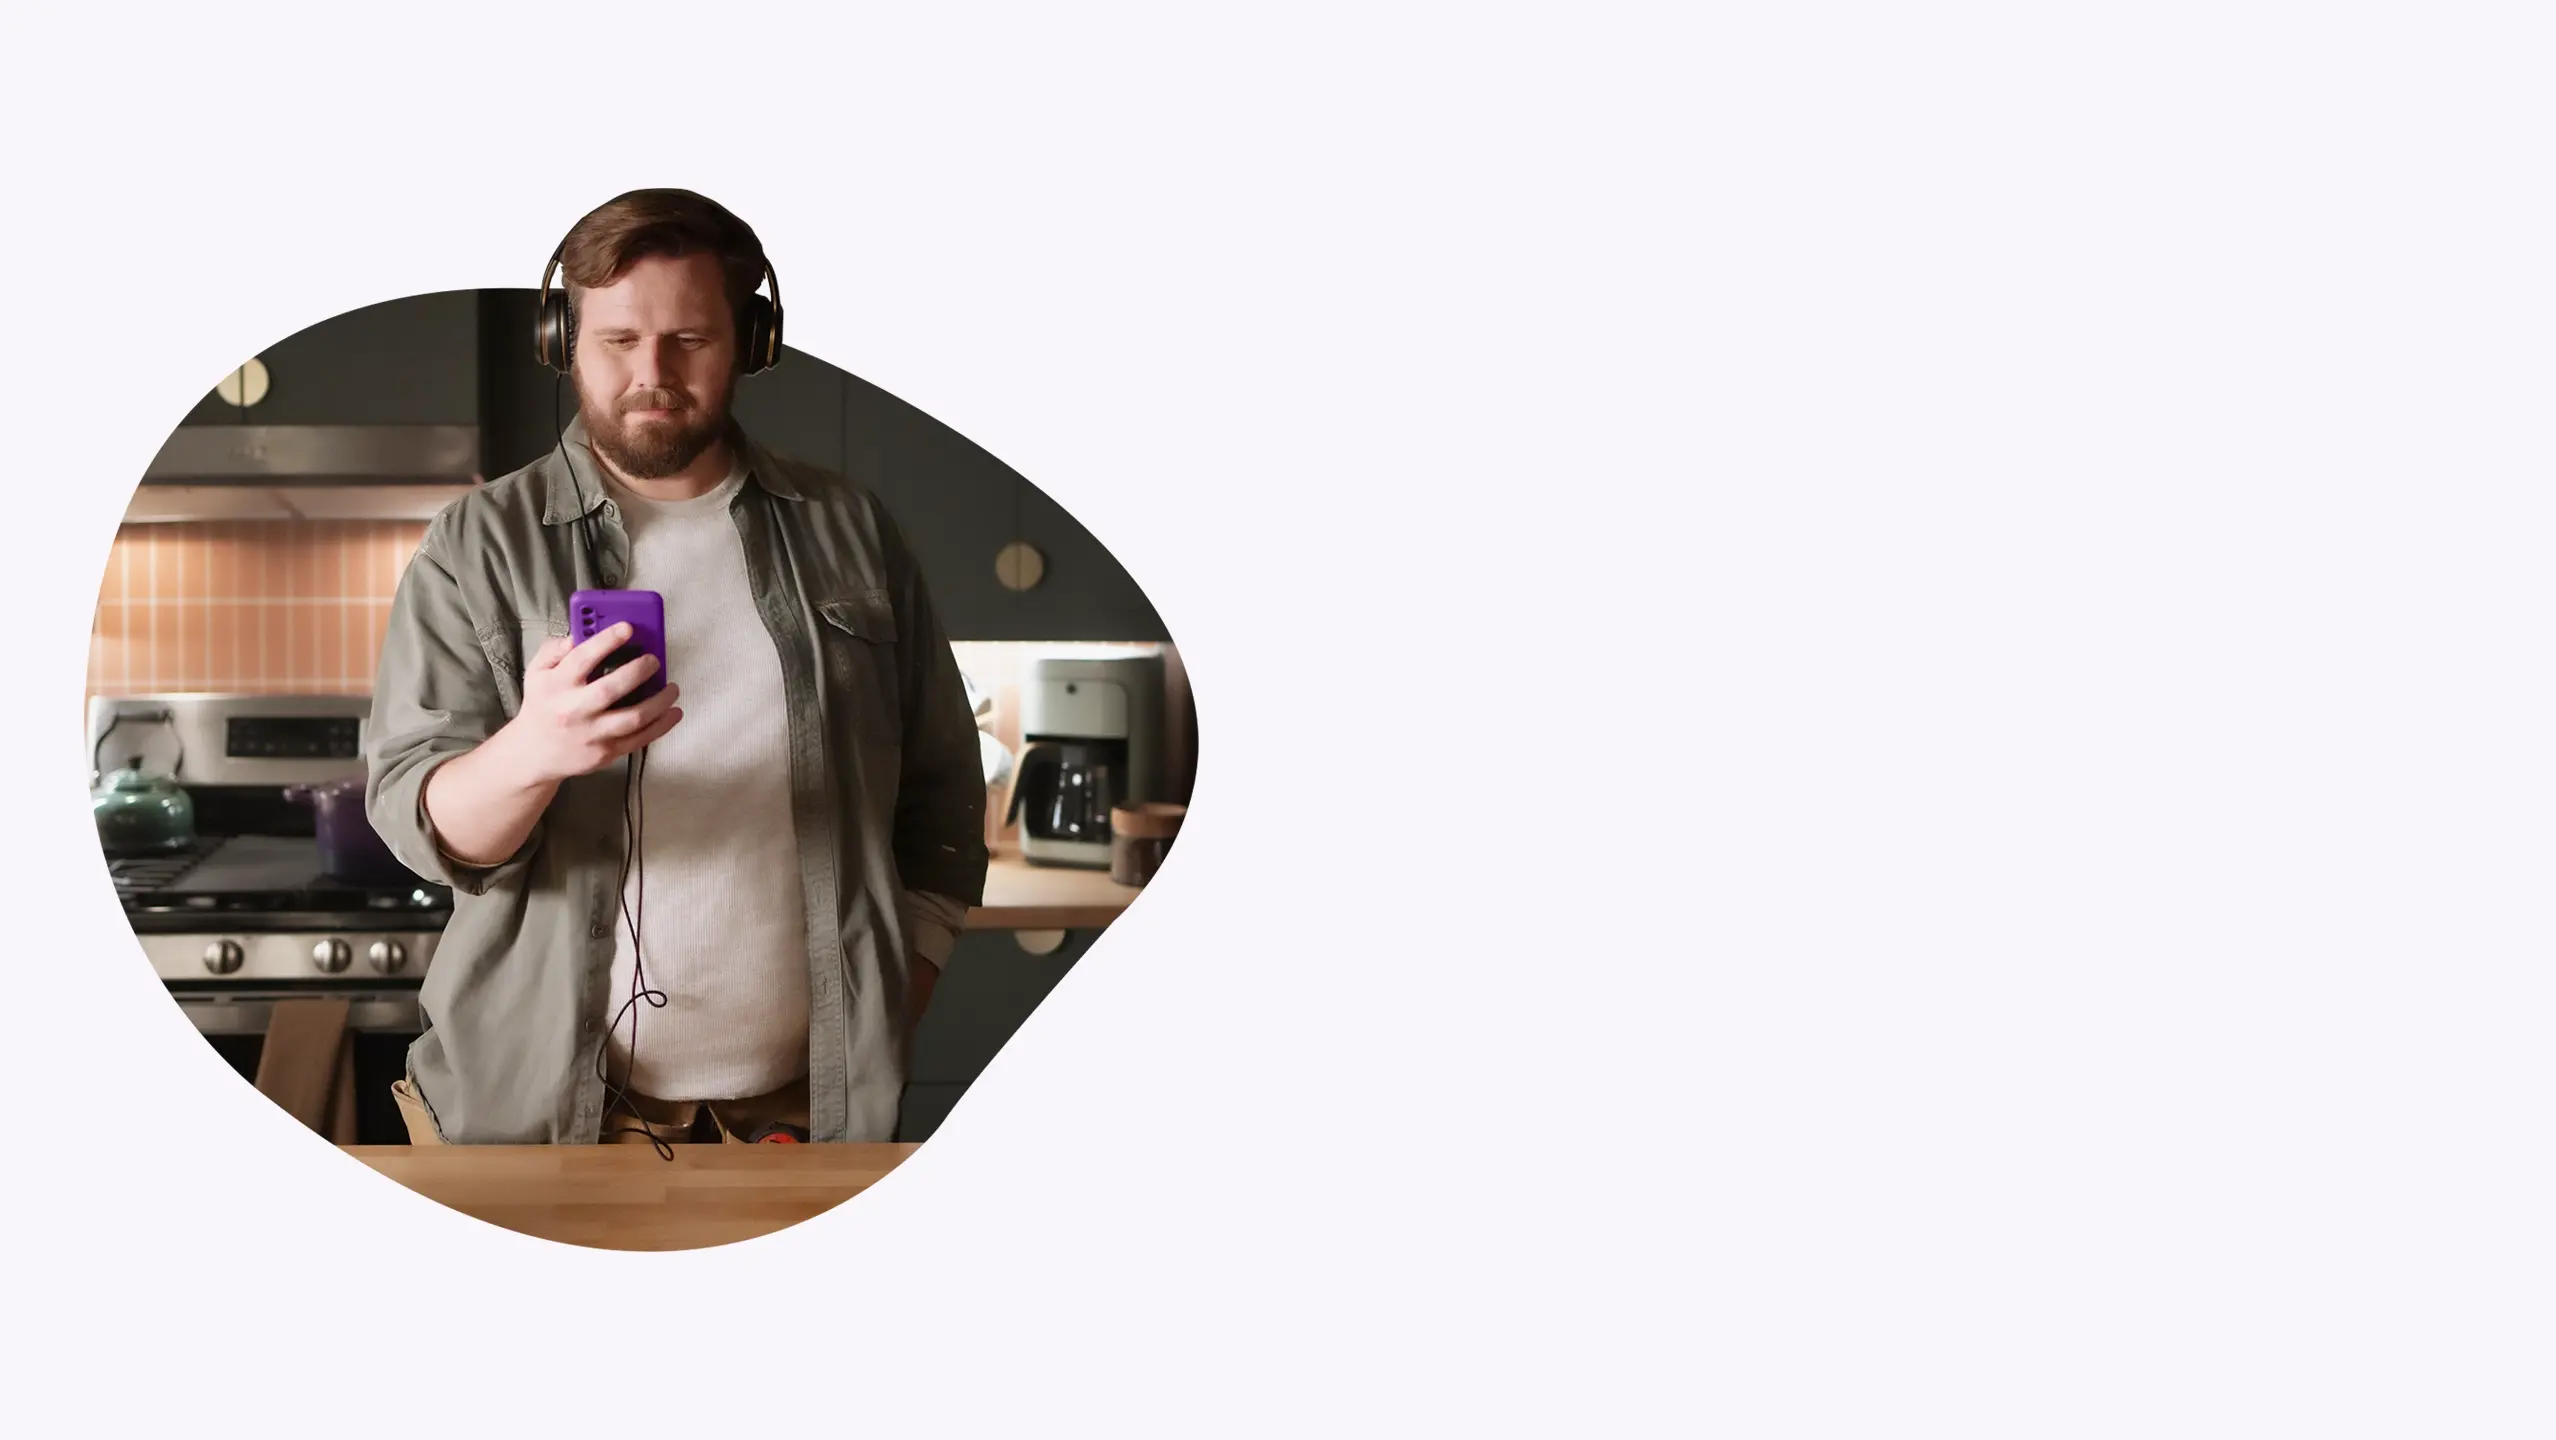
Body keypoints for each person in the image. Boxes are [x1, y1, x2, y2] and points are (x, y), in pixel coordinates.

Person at [365, 188, 988, 1146]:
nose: (650, 375)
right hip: (533, 1117)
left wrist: (897, 990)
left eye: (689, 340)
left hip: (807, 1114)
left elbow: (942, 803)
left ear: (750, 340)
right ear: (561, 339)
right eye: (617, 340)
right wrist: (534, 749)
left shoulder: (851, 530)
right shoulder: (477, 544)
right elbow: (423, 825)